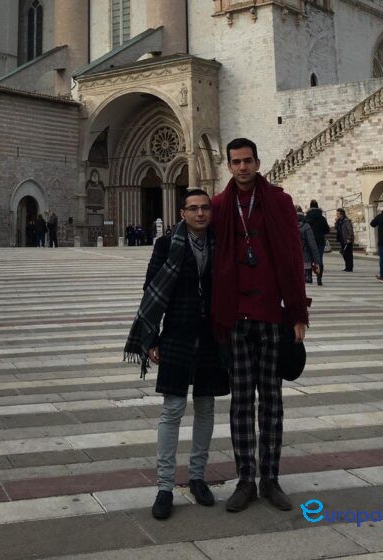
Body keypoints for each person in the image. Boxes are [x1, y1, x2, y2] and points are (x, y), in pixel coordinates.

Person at [211, 138, 309, 514]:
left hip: (271, 316)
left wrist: (298, 312)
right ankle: (245, 480)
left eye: (248, 161)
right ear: (228, 165)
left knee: (271, 401)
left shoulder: (279, 202)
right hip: (235, 317)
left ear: (257, 161)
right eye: (236, 162)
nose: (242, 168)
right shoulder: (220, 205)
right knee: (240, 404)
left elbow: (292, 255)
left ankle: (270, 478)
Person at [124, 188, 228, 521]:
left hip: (211, 337)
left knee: (207, 406)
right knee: (172, 409)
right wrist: (150, 337)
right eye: (193, 209)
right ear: (182, 213)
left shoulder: (221, 243)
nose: (200, 214)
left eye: (205, 208)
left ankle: (197, 476)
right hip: (177, 336)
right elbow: (151, 289)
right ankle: (165, 486)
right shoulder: (166, 245)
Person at [305, 199, 330, 286]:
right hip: (320, 241)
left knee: (309, 259)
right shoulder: (322, 218)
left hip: (309, 241)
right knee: (319, 259)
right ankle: (319, 278)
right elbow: (327, 230)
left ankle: (309, 278)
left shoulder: (307, 217)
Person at [298, 208, 319, 284]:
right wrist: (316, 261)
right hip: (305, 255)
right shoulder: (306, 226)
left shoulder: (289, 226)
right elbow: (312, 244)